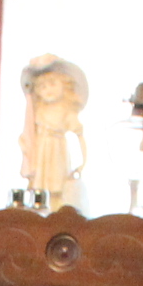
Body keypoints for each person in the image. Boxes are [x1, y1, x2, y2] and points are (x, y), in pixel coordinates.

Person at [18, 56, 89, 212]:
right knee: (39, 185)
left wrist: (82, 163)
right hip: (41, 151)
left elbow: (80, 136)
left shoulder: (66, 111)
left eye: (52, 84)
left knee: (57, 186)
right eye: (43, 87)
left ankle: (56, 208)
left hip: (57, 151)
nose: (48, 90)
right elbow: (29, 133)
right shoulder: (37, 111)